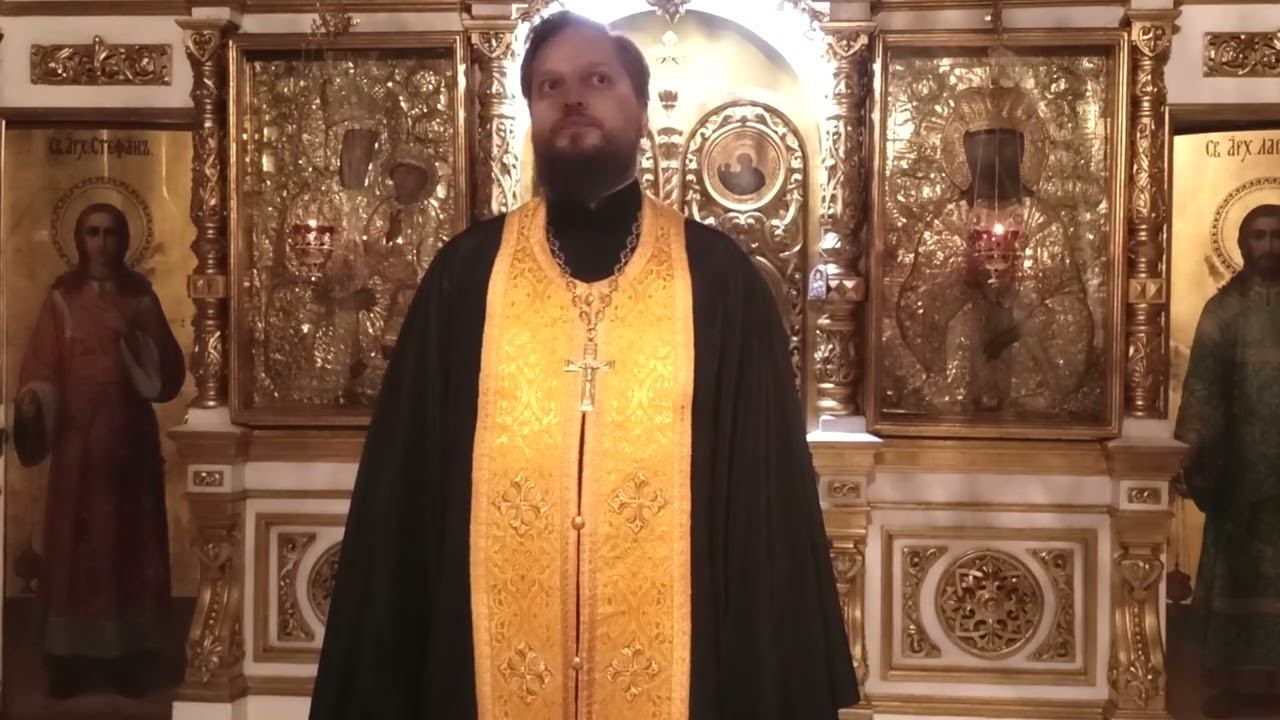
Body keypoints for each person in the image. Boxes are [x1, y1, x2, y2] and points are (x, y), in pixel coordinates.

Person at [310, 11, 858, 719]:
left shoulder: (718, 280)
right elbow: (404, 498)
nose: (573, 98)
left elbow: (764, 509)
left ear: (640, 107)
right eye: (551, 85)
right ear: (532, 113)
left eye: (597, 80)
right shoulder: (466, 277)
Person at [13, 202, 185, 699]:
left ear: (125, 238)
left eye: (110, 233)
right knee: (77, 545)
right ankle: (70, 659)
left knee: (128, 546)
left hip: (129, 444)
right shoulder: (62, 299)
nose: (102, 243)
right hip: (78, 445)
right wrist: (34, 397)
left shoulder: (141, 297)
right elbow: (42, 367)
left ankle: (132, 656)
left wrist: (139, 347)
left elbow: (166, 371)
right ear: (79, 239)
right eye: (92, 233)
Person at [895, 85, 1093, 416]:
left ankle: (1031, 392)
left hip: (1024, 348)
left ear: (1023, 153)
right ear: (965, 154)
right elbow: (918, 299)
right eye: (984, 147)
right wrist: (964, 281)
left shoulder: (1040, 218)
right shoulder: (951, 218)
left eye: (1005, 148)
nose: (995, 158)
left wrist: (1021, 317)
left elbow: (1068, 297)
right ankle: (963, 390)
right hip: (966, 345)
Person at [1175, 203, 1280, 718]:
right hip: (1241, 471)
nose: (1269, 247)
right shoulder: (1223, 311)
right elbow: (1201, 390)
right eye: (1259, 236)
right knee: (1239, 570)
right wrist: (1190, 449)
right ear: (1242, 244)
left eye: (1278, 236)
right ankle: (1240, 682)